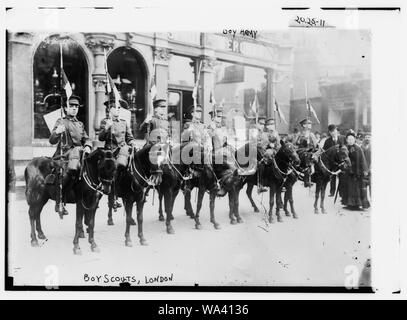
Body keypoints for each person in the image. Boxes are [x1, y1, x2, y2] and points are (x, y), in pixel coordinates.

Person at [49, 95, 92, 216]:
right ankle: (60, 201)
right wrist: (57, 132)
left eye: (76, 106)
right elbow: (51, 140)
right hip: (64, 155)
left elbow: (86, 138)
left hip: (79, 154)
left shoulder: (80, 124)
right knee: (67, 172)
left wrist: (88, 146)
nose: (74, 108)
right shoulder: (61, 121)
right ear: (65, 108)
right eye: (71, 106)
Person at [99, 96, 137, 209]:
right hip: (110, 152)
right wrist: (106, 128)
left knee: (135, 164)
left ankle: (137, 188)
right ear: (109, 111)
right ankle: (114, 195)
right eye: (115, 108)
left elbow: (129, 137)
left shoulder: (124, 123)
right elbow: (101, 138)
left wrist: (133, 143)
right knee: (113, 169)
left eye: (119, 108)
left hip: (123, 150)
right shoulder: (105, 122)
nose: (118, 111)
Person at [341, 129, 370, 210]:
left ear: (354, 140)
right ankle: (349, 204)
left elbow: (362, 159)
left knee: (357, 188)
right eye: (349, 139)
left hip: (357, 171)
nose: (350, 141)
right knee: (348, 188)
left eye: (352, 139)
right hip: (348, 172)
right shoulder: (345, 148)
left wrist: (365, 170)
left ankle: (357, 204)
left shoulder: (358, 148)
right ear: (346, 140)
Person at [257, 117, 281, 193]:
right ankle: (261, 184)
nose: (272, 126)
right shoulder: (264, 134)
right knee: (263, 163)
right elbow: (262, 144)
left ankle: (282, 182)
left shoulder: (276, 133)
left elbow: (279, 144)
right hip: (265, 153)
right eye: (270, 124)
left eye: (273, 124)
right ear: (267, 126)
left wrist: (275, 146)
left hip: (274, 152)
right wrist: (268, 145)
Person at [323, 124, 346, 197]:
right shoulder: (327, 141)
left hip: (342, 161)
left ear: (337, 130)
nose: (333, 133)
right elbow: (325, 152)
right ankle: (332, 192)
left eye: (334, 131)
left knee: (342, 177)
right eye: (331, 131)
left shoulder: (343, 138)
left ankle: (341, 192)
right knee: (333, 177)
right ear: (329, 132)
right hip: (332, 162)